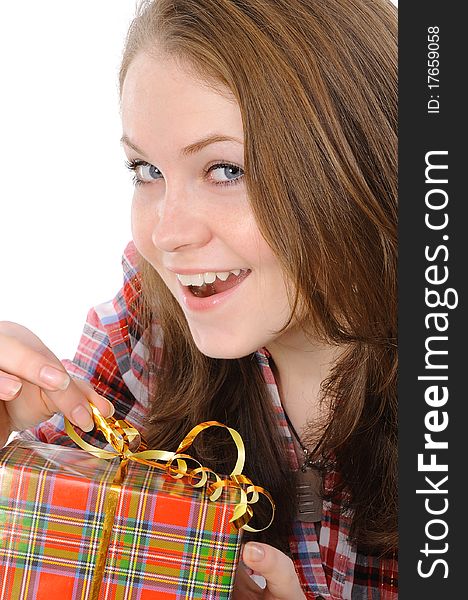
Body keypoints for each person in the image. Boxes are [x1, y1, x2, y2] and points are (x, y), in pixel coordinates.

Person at [0, 0, 398, 597]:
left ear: (355, 160)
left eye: (225, 170)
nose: (168, 233)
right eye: (146, 171)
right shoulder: (148, 322)